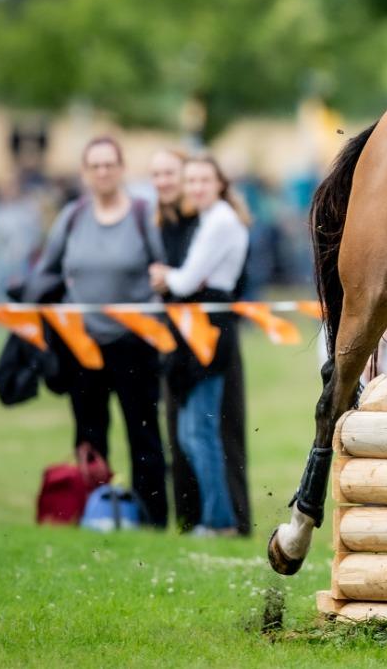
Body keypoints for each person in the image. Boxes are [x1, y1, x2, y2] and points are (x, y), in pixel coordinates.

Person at [26, 136, 168, 528]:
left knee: (143, 436)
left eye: (110, 164)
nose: (103, 172)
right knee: (89, 435)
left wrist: (161, 281)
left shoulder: (143, 215)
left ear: (121, 169)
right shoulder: (72, 217)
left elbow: (166, 271)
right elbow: (46, 271)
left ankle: (152, 519)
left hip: (134, 343)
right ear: (85, 173)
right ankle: (93, 511)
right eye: (95, 166)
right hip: (82, 344)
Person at [150, 154, 250, 537]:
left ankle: (219, 520)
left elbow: (186, 282)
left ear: (219, 183)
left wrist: (164, 276)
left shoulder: (221, 220)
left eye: (203, 180)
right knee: (193, 432)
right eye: (190, 181)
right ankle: (215, 518)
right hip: (199, 325)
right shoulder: (212, 219)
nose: (195, 187)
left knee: (199, 432)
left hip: (208, 328)